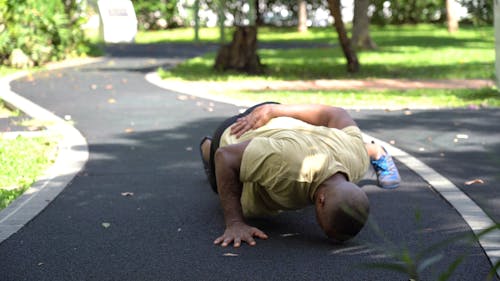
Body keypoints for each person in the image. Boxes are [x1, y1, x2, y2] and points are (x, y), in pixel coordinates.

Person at [199, 102, 400, 247]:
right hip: (239, 129)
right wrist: (235, 223)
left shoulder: (356, 159)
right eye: (326, 232)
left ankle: (374, 150)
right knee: (223, 185)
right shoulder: (286, 168)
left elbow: (337, 114)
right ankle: (208, 148)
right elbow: (225, 157)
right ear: (320, 200)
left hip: (286, 129)